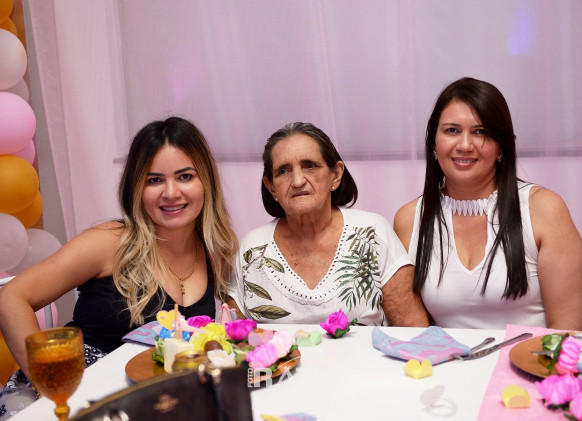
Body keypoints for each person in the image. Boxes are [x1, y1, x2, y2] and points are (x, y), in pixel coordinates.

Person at [0, 117, 238, 377]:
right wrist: (48, 380)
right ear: (136, 188)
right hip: (80, 386)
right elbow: (11, 297)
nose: (171, 193)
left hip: (152, 394)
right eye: (154, 180)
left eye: (185, 177)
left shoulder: (215, 250)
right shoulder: (111, 242)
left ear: (206, 182)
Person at [394, 77, 582, 329]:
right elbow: (411, 328)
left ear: (500, 145)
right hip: (444, 356)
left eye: (480, 132)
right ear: (434, 144)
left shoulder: (544, 209)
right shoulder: (410, 219)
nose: (464, 145)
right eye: (452, 131)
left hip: (533, 356)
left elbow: (569, 334)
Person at [227, 122, 428, 326]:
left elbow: (413, 329)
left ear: (336, 174)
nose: (297, 181)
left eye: (310, 166)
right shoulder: (251, 250)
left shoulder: (372, 233)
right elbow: (232, 338)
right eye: (283, 171)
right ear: (271, 187)